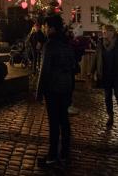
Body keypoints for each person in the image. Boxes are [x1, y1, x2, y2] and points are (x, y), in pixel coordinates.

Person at [36, 15, 75, 166]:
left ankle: (52, 155)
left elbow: (44, 71)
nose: (45, 29)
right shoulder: (66, 43)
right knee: (64, 120)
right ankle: (65, 153)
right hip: (66, 87)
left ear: (51, 28)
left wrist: (39, 92)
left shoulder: (50, 45)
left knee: (53, 122)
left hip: (52, 88)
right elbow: (73, 66)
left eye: (46, 27)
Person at [90, 24, 118, 128]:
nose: (103, 33)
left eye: (105, 31)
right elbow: (96, 57)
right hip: (105, 74)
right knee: (107, 96)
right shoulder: (101, 42)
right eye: (103, 31)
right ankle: (110, 117)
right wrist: (92, 71)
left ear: (112, 32)